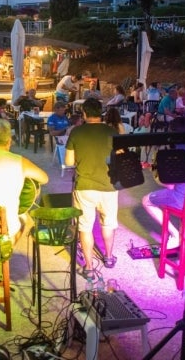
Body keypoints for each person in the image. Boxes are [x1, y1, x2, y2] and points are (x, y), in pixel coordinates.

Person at [65, 97, 118, 279]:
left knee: (85, 227)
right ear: (101, 112)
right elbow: (121, 156)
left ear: (84, 113)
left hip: (85, 186)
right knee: (108, 223)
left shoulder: (76, 132)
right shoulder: (112, 131)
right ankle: (109, 258)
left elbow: (69, 162)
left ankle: (88, 267)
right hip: (109, 184)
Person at [142, 117, 185, 250]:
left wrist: (155, 173)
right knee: (182, 192)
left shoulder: (174, 153)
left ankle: (175, 235)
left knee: (146, 201)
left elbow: (170, 185)